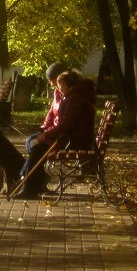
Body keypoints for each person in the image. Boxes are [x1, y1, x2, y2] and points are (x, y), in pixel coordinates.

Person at [14, 69, 96, 199]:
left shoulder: (74, 98)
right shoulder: (74, 96)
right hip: (74, 138)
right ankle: (32, 182)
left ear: (68, 84)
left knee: (38, 148)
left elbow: (65, 125)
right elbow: (63, 123)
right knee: (34, 144)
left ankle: (29, 186)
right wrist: (46, 132)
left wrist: (46, 135)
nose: (59, 88)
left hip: (74, 140)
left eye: (61, 84)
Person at [25, 61, 68, 155]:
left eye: (51, 80)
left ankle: (35, 167)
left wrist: (46, 134)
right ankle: (36, 166)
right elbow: (51, 113)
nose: (51, 84)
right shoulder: (57, 93)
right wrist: (44, 128)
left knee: (35, 145)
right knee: (29, 140)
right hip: (54, 131)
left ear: (59, 78)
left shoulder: (69, 96)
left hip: (60, 136)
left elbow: (64, 124)